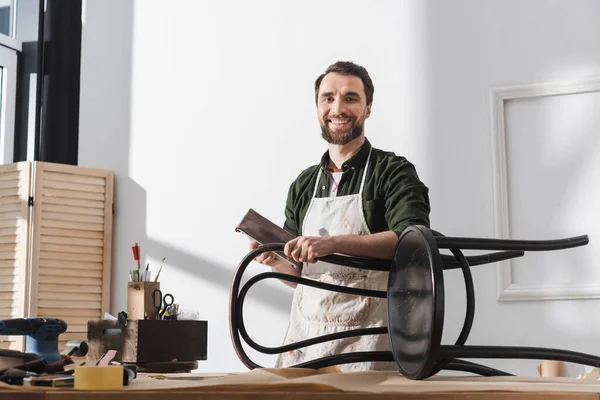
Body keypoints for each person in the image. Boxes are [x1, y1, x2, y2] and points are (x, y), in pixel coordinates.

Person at [250, 61, 431, 371]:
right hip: (306, 339)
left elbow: (412, 241)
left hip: (367, 341)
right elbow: (301, 276)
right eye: (328, 97)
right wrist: (275, 261)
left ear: (368, 108)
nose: (338, 107)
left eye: (350, 98)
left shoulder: (393, 172)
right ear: (318, 106)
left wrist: (332, 243)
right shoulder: (303, 184)